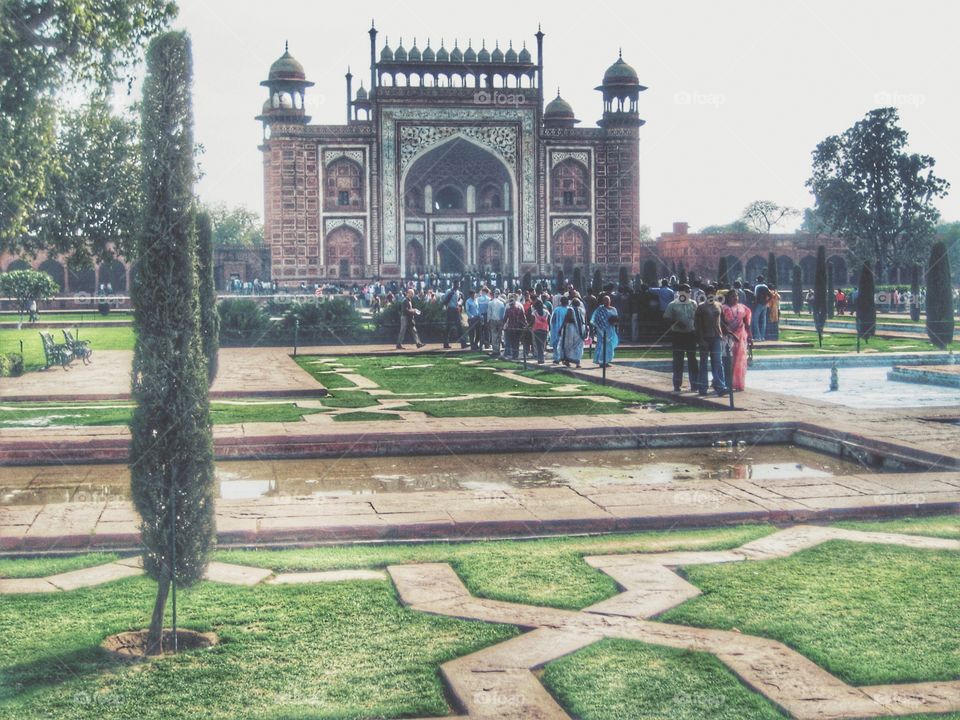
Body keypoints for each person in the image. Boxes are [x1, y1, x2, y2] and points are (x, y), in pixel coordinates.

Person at [663, 283, 698, 392]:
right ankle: (677, 384)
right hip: (678, 335)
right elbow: (666, 318)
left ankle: (694, 384)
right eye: (687, 291)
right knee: (678, 360)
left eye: (689, 291)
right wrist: (677, 322)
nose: (689, 293)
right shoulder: (672, 305)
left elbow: (697, 318)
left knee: (693, 360)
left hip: (691, 334)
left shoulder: (693, 303)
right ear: (680, 292)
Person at [694, 285, 728, 396]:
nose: (710, 294)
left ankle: (720, 386)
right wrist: (700, 339)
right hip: (705, 337)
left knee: (718, 362)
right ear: (705, 293)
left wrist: (727, 333)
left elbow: (722, 321)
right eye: (708, 292)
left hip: (717, 337)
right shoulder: (701, 307)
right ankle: (703, 387)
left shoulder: (719, 305)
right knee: (704, 363)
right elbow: (697, 325)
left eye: (713, 292)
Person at [722, 288, 753, 392]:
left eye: (736, 296)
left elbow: (747, 324)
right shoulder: (723, 308)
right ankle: (727, 384)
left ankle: (738, 383)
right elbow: (722, 324)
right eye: (732, 296)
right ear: (728, 298)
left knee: (739, 361)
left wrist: (750, 337)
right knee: (728, 361)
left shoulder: (743, 308)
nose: (735, 298)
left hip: (741, 338)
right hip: (727, 338)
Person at [591, 294, 619, 367]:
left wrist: (614, 322)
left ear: (610, 301)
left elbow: (616, 318)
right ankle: (601, 361)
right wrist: (600, 327)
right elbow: (595, 319)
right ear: (603, 301)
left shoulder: (613, 309)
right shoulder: (600, 309)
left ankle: (606, 361)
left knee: (610, 346)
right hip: (602, 330)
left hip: (611, 330)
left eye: (608, 300)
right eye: (605, 300)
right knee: (602, 345)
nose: (607, 302)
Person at [560, 297, 587, 368]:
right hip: (581, 329)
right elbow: (585, 321)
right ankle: (577, 362)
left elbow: (566, 319)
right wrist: (586, 330)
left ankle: (568, 360)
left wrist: (561, 328)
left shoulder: (570, 309)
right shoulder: (583, 310)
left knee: (569, 345)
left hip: (571, 329)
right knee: (578, 346)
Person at [503, 293, 527, 360]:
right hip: (518, 327)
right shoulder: (519, 308)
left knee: (512, 342)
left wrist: (503, 326)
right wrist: (525, 325)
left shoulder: (508, 310)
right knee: (517, 341)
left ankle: (514, 354)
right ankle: (516, 354)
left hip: (511, 328)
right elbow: (523, 317)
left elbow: (505, 319)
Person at [442, 282, 466, 349]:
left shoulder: (459, 292)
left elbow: (460, 300)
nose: (458, 286)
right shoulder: (449, 291)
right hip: (450, 310)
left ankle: (463, 343)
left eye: (458, 284)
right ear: (454, 284)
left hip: (456, 310)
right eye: (457, 284)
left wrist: (460, 303)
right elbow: (444, 300)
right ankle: (445, 343)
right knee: (448, 327)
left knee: (459, 327)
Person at [550, 296, 570, 364]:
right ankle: (565, 359)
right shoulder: (569, 309)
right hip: (567, 330)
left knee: (557, 344)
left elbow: (553, 320)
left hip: (557, 329)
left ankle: (557, 359)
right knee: (566, 345)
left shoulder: (557, 309)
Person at [487, 289, 506, 356]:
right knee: (499, 335)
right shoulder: (502, 303)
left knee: (494, 335)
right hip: (500, 320)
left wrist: (488, 321)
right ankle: (498, 349)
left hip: (493, 320)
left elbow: (489, 313)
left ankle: (495, 350)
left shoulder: (490, 303)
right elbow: (503, 313)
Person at [753, 275, 770, 342]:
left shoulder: (757, 286)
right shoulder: (765, 286)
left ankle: (758, 337)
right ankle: (762, 337)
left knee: (755, 320)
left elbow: (755, 296)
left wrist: (755, 304)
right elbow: (771, 295)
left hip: (759, 304)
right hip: (764, 304)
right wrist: (766, 301)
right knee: (763, 321)